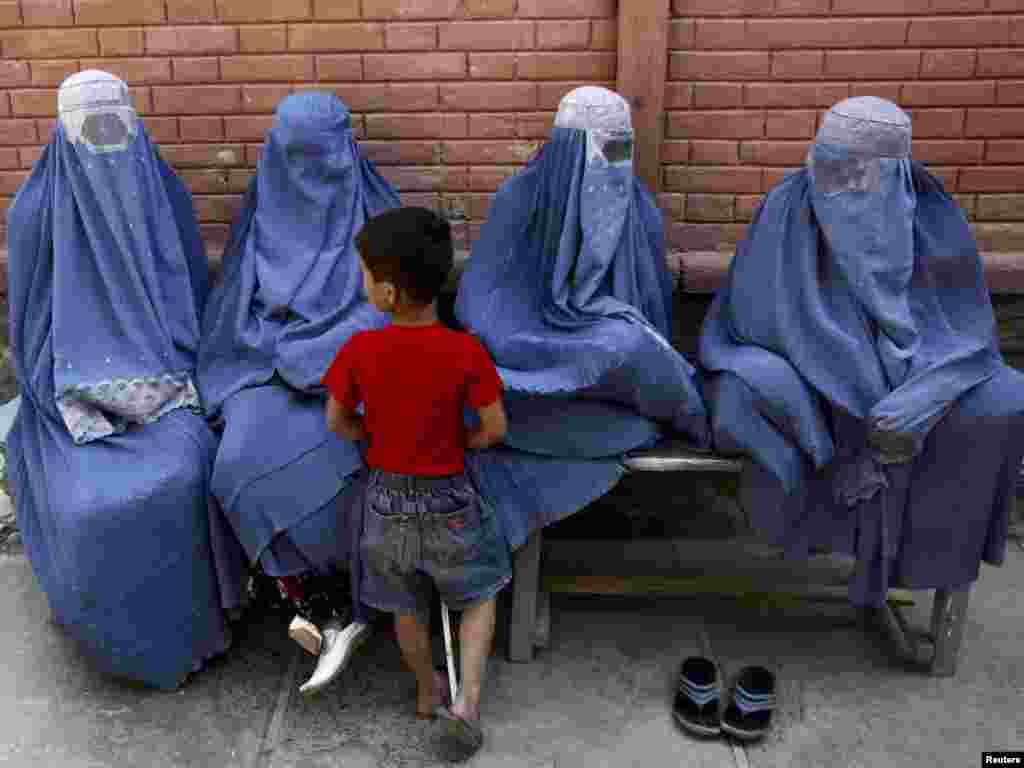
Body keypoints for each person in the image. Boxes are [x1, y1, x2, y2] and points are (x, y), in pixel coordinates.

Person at [699, 96, 1024, 610]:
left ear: (897, 175)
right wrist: (848, 368)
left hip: (916, 356)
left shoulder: (929, 214)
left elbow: (962, 324)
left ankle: (927, 566)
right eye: (826, 168)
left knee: (1003, 401)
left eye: (856, 175)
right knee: (760, 391)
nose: (838, 188)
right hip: (804, 363)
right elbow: (759, 315)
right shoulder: (788, 204)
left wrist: (923, 388)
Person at [4, 70, 242, 689]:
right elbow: (31, 333)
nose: (106, 141)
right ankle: (111, 637)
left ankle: (195, 630)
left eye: (116, 124)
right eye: (92, 128)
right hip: (71, 401)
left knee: (184, 475)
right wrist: (70, 401)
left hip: (168, 387)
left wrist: (170, 383)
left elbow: (191, 299)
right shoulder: (36, 214)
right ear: (63, 129)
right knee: (93, 508)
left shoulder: (162, 196)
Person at [198, 91, 401, 694]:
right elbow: (236, 308)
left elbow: (403, 316)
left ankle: (348, 605)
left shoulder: (380, 213)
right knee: (235, 464)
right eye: (297, 158)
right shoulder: (261, 211)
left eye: (324, 157)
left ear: (348, 151)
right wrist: (280, 353)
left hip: (352, 376)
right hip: (269, 367)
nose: (311, 175)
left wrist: (332, 356)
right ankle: (321, 600)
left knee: (354, 458)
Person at [456, 86, 709, 552]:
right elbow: (479, 303)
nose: (614, 164)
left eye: (622, 150)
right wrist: (539, 336)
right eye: (603, 150)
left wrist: (601, 329)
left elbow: (650, 309)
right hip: (531, 364)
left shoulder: (637, 208)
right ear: (569, 146)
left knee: (628, 345)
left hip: (610, 365)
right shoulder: (520, 199)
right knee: (616, 346)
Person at [323, 207, 511, 759]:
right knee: (478, 594)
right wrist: (462, 444)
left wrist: (370, 435)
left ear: (386, 293)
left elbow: (336, 421)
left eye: (363, 275)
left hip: (385, 498)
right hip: (449, 494)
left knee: (406, 606)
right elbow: (495, 428)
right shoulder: (466, 351)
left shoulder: (360, 350)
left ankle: (427, 691)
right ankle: (468, 704)